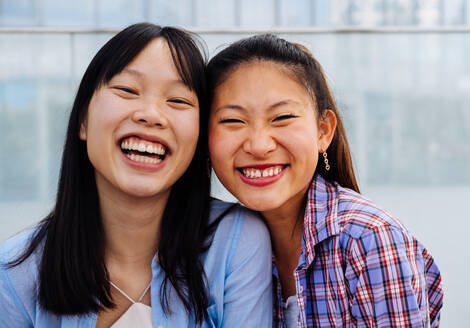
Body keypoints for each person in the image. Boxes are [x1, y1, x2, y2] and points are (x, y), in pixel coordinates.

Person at [0, 23, 272, 327]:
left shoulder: (235, 242)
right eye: (127, 90)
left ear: (199, 139)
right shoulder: (14, 274)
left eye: (178, 101)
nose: (151, 115)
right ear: (83, 121)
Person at [207, 34, 443, 328]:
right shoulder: (221, 244)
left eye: (281, 118)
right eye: (233, 121)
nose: (258, 145)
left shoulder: (368, 240)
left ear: (323, 132)